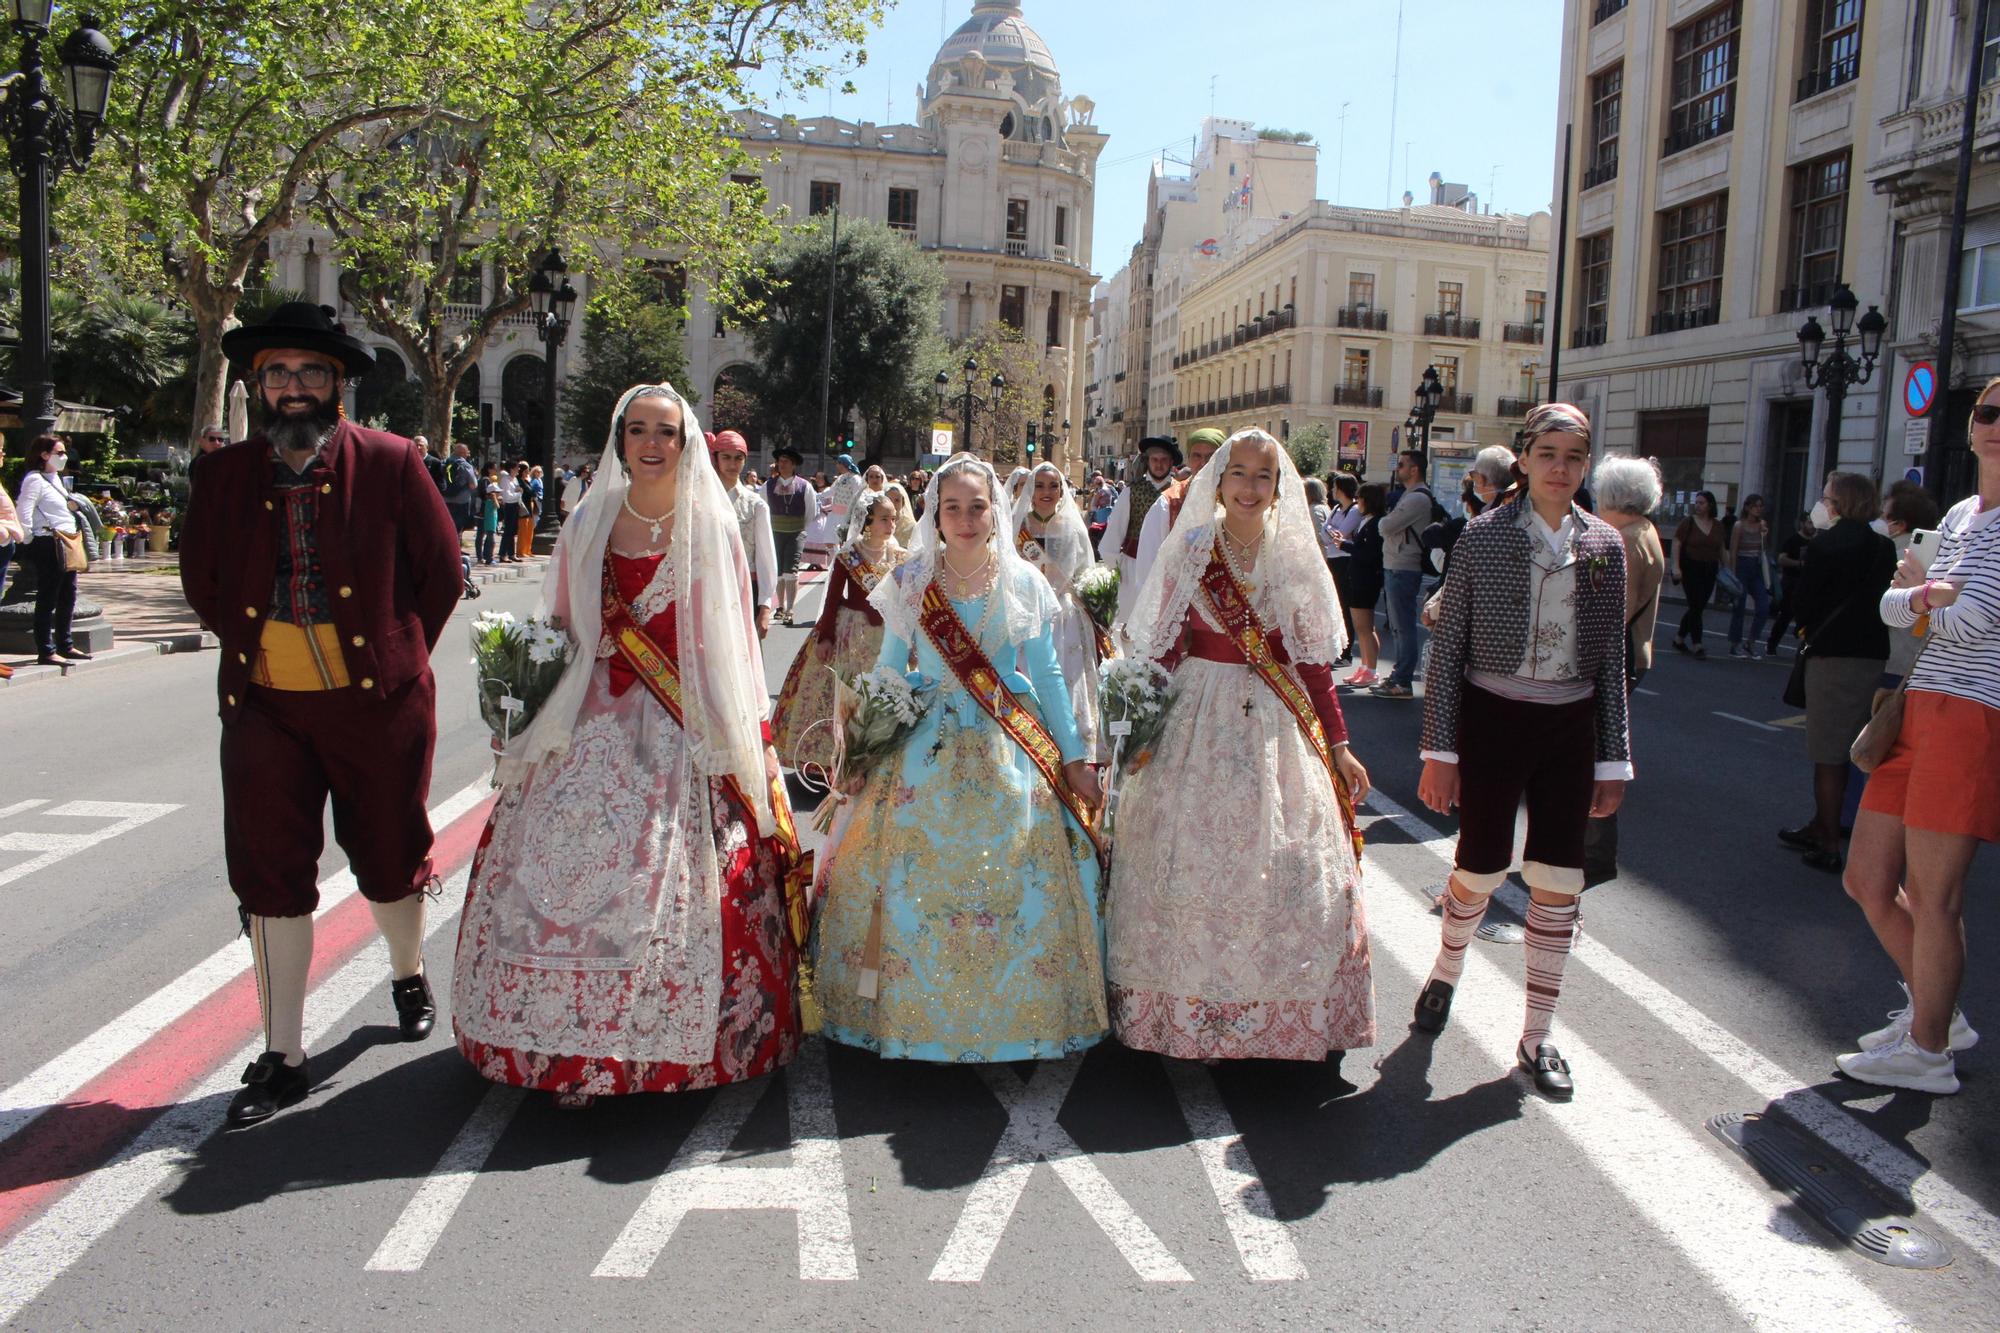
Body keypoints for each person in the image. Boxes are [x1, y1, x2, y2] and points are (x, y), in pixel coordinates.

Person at [455, 384, 808, 1106]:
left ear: (686, 444)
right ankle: (564, 1042)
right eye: (638, 430)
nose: (652, 443)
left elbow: (729, 646)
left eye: (667, 432)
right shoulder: (589, 518)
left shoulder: (710, 524)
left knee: (668, 882)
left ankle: (648, 1037)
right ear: (621, 441)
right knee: (564, 873)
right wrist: (519, 705)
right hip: (587, 715)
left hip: (681, 723)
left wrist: (743, 740)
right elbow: (556, 627)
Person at [178, 302, 462, 1127]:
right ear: (258, 385)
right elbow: (203, 582)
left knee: (388, 852)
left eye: (308, 374)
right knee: (268, 873)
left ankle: (406, 969)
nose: (291, 388)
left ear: (337, 385)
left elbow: (439, 576)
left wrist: (391, 657)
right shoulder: (224, 476)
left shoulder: (391, 462)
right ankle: (282, 1051)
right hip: (264, 705)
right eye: (276, 374)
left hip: (377, 705)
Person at [812, 453, 1105, 1062]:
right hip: (926, 740)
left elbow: (1047, 675)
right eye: (953, 508)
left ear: (994, 512)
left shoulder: (1023, 580)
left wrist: (1075, 755)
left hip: (1009, 740)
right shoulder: (913, 579)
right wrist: (864, 745)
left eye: (977, 507)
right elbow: (891, 668)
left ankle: (1019, 1014)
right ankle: (908, 1013)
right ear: (935, 515)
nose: (966, 519)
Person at [1107, 429, 1374, 1063]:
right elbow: (1162, 651)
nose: (1250, 487)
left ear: (1278, 487)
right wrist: (1138, 729)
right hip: (1196, 718)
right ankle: (1180, 1005)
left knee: (1288, 862)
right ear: (1218, 482)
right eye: (1239, 473)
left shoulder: (1294, 554)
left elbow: (1311, 666)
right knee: (1187, 856)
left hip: (1277, 724)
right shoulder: (1192, 548)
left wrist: (1338, 744)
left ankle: (1280, 1013)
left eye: (1264, 476)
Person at [1414, 405, 1631, 1100]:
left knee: (1559, 879)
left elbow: (1610, 660)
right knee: (1479, 864)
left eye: (1574, 455)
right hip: (1493, 717)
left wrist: (1612, 757)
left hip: (1569, 726)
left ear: (1585, 463)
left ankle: (1538, 1034)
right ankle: (1447, 969)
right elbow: (1447, 654)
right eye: (1548, 454)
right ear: (1525, 460)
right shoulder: (1480, 538)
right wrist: (1439, 750)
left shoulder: (1604, 544)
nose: (1561, 468)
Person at [1837, 377, 2000, 1095]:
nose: (1997, 424)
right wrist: (1931, 596)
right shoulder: (1963, 514)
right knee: (1867, 878)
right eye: (1989, 411)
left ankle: (1929, 1047)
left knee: (1935, 895)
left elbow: (1966, 621)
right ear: (1971, 428)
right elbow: (1891, 605)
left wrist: (1925, 595)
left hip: (1971, 713)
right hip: (1921, 703)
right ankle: (1939, 1014)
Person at [1779, 473, 1897, 873]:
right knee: (1852, 747)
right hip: (1872, 654)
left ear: (1840, 502)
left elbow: (1803, 603)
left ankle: (1829, 840)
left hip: (1832, 656)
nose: (1822, 503)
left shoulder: (1826, 545)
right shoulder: (1883, 546)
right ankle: (1821, 825)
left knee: (1828, 754)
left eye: (1827, 497)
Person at [770, 489, 907, 774]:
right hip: (851, 634)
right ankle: (832, 759)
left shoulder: (900, 556)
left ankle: (875, 757)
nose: (891, 524)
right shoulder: (850, 555)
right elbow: (832, 599)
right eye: (884, 518)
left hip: (886, 637)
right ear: (868, 521)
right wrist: (827, 637)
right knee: (842, 695)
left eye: (893, 518)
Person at [1584, 454, 1667, 888]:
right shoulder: (1642, 531)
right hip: (1632, 652)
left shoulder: (1623, 538)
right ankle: (1588, 851)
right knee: (1596, 751)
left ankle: (1592, 855)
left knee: (1593, 753)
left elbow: (1613, 607)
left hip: (1615, 654)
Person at [1015, 460, 1105, 760]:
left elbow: (1082, 571)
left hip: (1064, 617)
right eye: (1039, 485)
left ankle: (1070, 747)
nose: (1046, 491)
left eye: (1053, 485)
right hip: (1027, 612)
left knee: (1067, 681)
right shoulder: (1020, 526)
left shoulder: (1072, 525)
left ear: (1062, 489)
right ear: (1030, 489)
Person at [15, 435, 88, 666]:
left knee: (68, 594)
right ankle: (46, 650)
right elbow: (24, 511)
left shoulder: (57, 479)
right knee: (48, 596)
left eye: (65, 452)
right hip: (48, 542)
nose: (64, 457)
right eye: (59, 452)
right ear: (44, 455)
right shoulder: (34, 480)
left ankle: (65, 644)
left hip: (67, 541)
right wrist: (27, 539)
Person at [1132, 428, 1226, 599]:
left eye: (1211, 456)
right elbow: (1148, 565)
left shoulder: (1238, 501)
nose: (1203, 463)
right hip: (1179, 605)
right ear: (1189, 459)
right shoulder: (1168, 503)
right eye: (1197, 456)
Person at [1375, 449, 1435, 698]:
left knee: (1403, 625)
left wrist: (1386, 521)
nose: (1397, 469)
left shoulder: (1417, 499)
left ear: (1414, 470)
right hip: (1397, 563)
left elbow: (1385, 525)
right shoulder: (1409, 496)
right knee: (1399, 626)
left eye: (1401, 465)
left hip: (1403, 566)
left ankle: (1403, 680)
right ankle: (1399, 674)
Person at [708, 430, 779, 639]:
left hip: (746, 588)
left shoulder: (755, 505)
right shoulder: (702, 501)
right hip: (710, 589)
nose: (732, 464)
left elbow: (766, 558)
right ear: (716, 458)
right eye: (726, 457)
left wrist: (765, 606)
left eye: (738, 458)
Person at [1106, 437, 1179, 624]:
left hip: (1170, 569)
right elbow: (1115, 531)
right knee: (1131, 622)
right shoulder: (1132, 492)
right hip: (1134, 567)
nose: (1159, 465)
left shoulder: (1180, 493)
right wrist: (1115, 570)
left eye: (1164, 460)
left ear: (1171, 463)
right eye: (1155, 460)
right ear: (1148, 462)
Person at [1342, 483, 1388, 687]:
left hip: (1365, 580)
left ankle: (1371, 670)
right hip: (1361, 578)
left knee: (1364, 627)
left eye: (1359, 498)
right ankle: (1366, 666)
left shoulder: (1375, 523)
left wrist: (1344, 545)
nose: (1357, 502)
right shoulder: (1368, 521)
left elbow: (1369, 554)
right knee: (1365, 628)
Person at [763, 448, 816, 624]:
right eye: (780, 460)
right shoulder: (768, 485)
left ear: (793, 465)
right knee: (778, 570)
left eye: (786, 461)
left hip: (796, 533)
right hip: (775, 532)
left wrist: (800, 528)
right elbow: (762, 509)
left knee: (791, 570)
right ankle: (779, 607)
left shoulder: (804, 486)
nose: (782, 464)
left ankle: (790, 608)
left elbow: (811, 511)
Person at [1671, 491, 1725, 657]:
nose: (1698, 505)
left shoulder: (1717, 526)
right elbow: (1676, 543)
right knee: (1695, 605)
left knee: (1699, 606)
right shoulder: (1689, 523)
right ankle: (1697, 644)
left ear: (1710, 505)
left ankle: (1679, 638)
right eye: (1697, 502)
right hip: (1690, 567)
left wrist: (1728, 569)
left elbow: (1722, 549)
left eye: (1702, 503)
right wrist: (1676, 567)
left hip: (1710, 568)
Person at [1726, 494, 1773, 658]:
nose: (1758, 509)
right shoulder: (1739, 526)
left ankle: (1751, 641)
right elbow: (1733, 551)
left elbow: (1764, 549)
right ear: (1747, 507)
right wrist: (1732, 574)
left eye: (1761, 506)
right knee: (1739, 606)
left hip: (1756, 567)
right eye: (1755, 506)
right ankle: (1735, 643)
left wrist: (1764, 535)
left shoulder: (1762, 525)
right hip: (1742, 566)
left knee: (1763, 606)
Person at [1766, 511, 1815, 654]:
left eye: (1814, 523)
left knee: (1807, 616)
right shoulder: (1793, 540)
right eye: (1809, 522)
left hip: (1807, 583)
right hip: (1792, 581)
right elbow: (1781, 559)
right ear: (1802, 524)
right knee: (1786, 615)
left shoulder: (1816, 542)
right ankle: (1772, 643)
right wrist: (1798, 563)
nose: (1812, 526)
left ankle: (1803, 646)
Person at [805, 454, 863, 567]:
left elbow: (857, 497)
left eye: (838, 463)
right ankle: (835, 565)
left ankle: (844, 566)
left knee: (845, 543)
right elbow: (831, 492)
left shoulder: (855, 479)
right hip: (834, 515)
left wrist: (854, 515)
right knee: (829, 542)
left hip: (846, 516)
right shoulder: (840, 478)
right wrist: (816, 496)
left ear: (843, 464)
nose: (837, 465)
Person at [495, 461, 524, 563]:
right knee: (508, 531)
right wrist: (519, 493)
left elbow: (516, 491)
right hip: (509, 506)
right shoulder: (505, 480)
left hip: (515, 505)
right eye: (517, 468)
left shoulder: (514, 479)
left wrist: (518, 494)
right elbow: (507, 496)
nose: (518, 470)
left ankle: (512, 553)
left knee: (513, 531)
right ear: (511, 469)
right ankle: (503, 554)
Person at [475, 466, 502, 565]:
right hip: (484, 514)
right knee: (482, 535)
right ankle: (484, 556)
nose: (495, 470)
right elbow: (485, 494)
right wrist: (494, 498)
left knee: (482, 535)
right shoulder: (486, 481)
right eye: (494, 468)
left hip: (483, 513)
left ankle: (483, 556)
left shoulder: (483, 480)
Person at [514, 462, 540, 560]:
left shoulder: (527, 481)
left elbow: (533, 492)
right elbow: (528, 492)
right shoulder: (519, 481)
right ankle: (521, 551)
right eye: (525, 471)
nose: (527, 473)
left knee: (529, 530)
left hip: (530, 507)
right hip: (523, 508)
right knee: (523, 530)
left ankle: (527, 550)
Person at [883, 480, 918, 546]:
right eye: (889, 499)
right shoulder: (876, 523)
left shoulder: (911, 527)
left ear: (903, 503)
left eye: (897, 500)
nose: (893, 504)